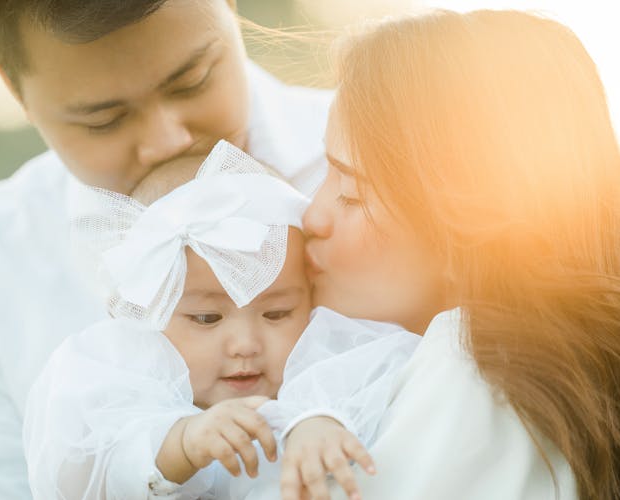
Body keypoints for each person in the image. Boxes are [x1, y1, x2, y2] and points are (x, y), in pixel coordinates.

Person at [0, 1, 332, 498]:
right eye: (104, 120)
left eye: (191, 81)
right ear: (13, 86)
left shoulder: (383, 161)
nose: (165, 142)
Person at [248, 9, 620, 500]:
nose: (311, 217)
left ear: (463, 227)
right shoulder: (539, 377)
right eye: (325, 173)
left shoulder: (474, 369)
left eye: (352, 195)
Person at [24, 142, 420, 499]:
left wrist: (320, 421)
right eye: (207, 317)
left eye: (277, 313)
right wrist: (181, 443)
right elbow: (80, 471)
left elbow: (374, 378)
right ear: (146, 312)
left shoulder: (322, 355)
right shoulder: (120, 370)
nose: (245, 343)